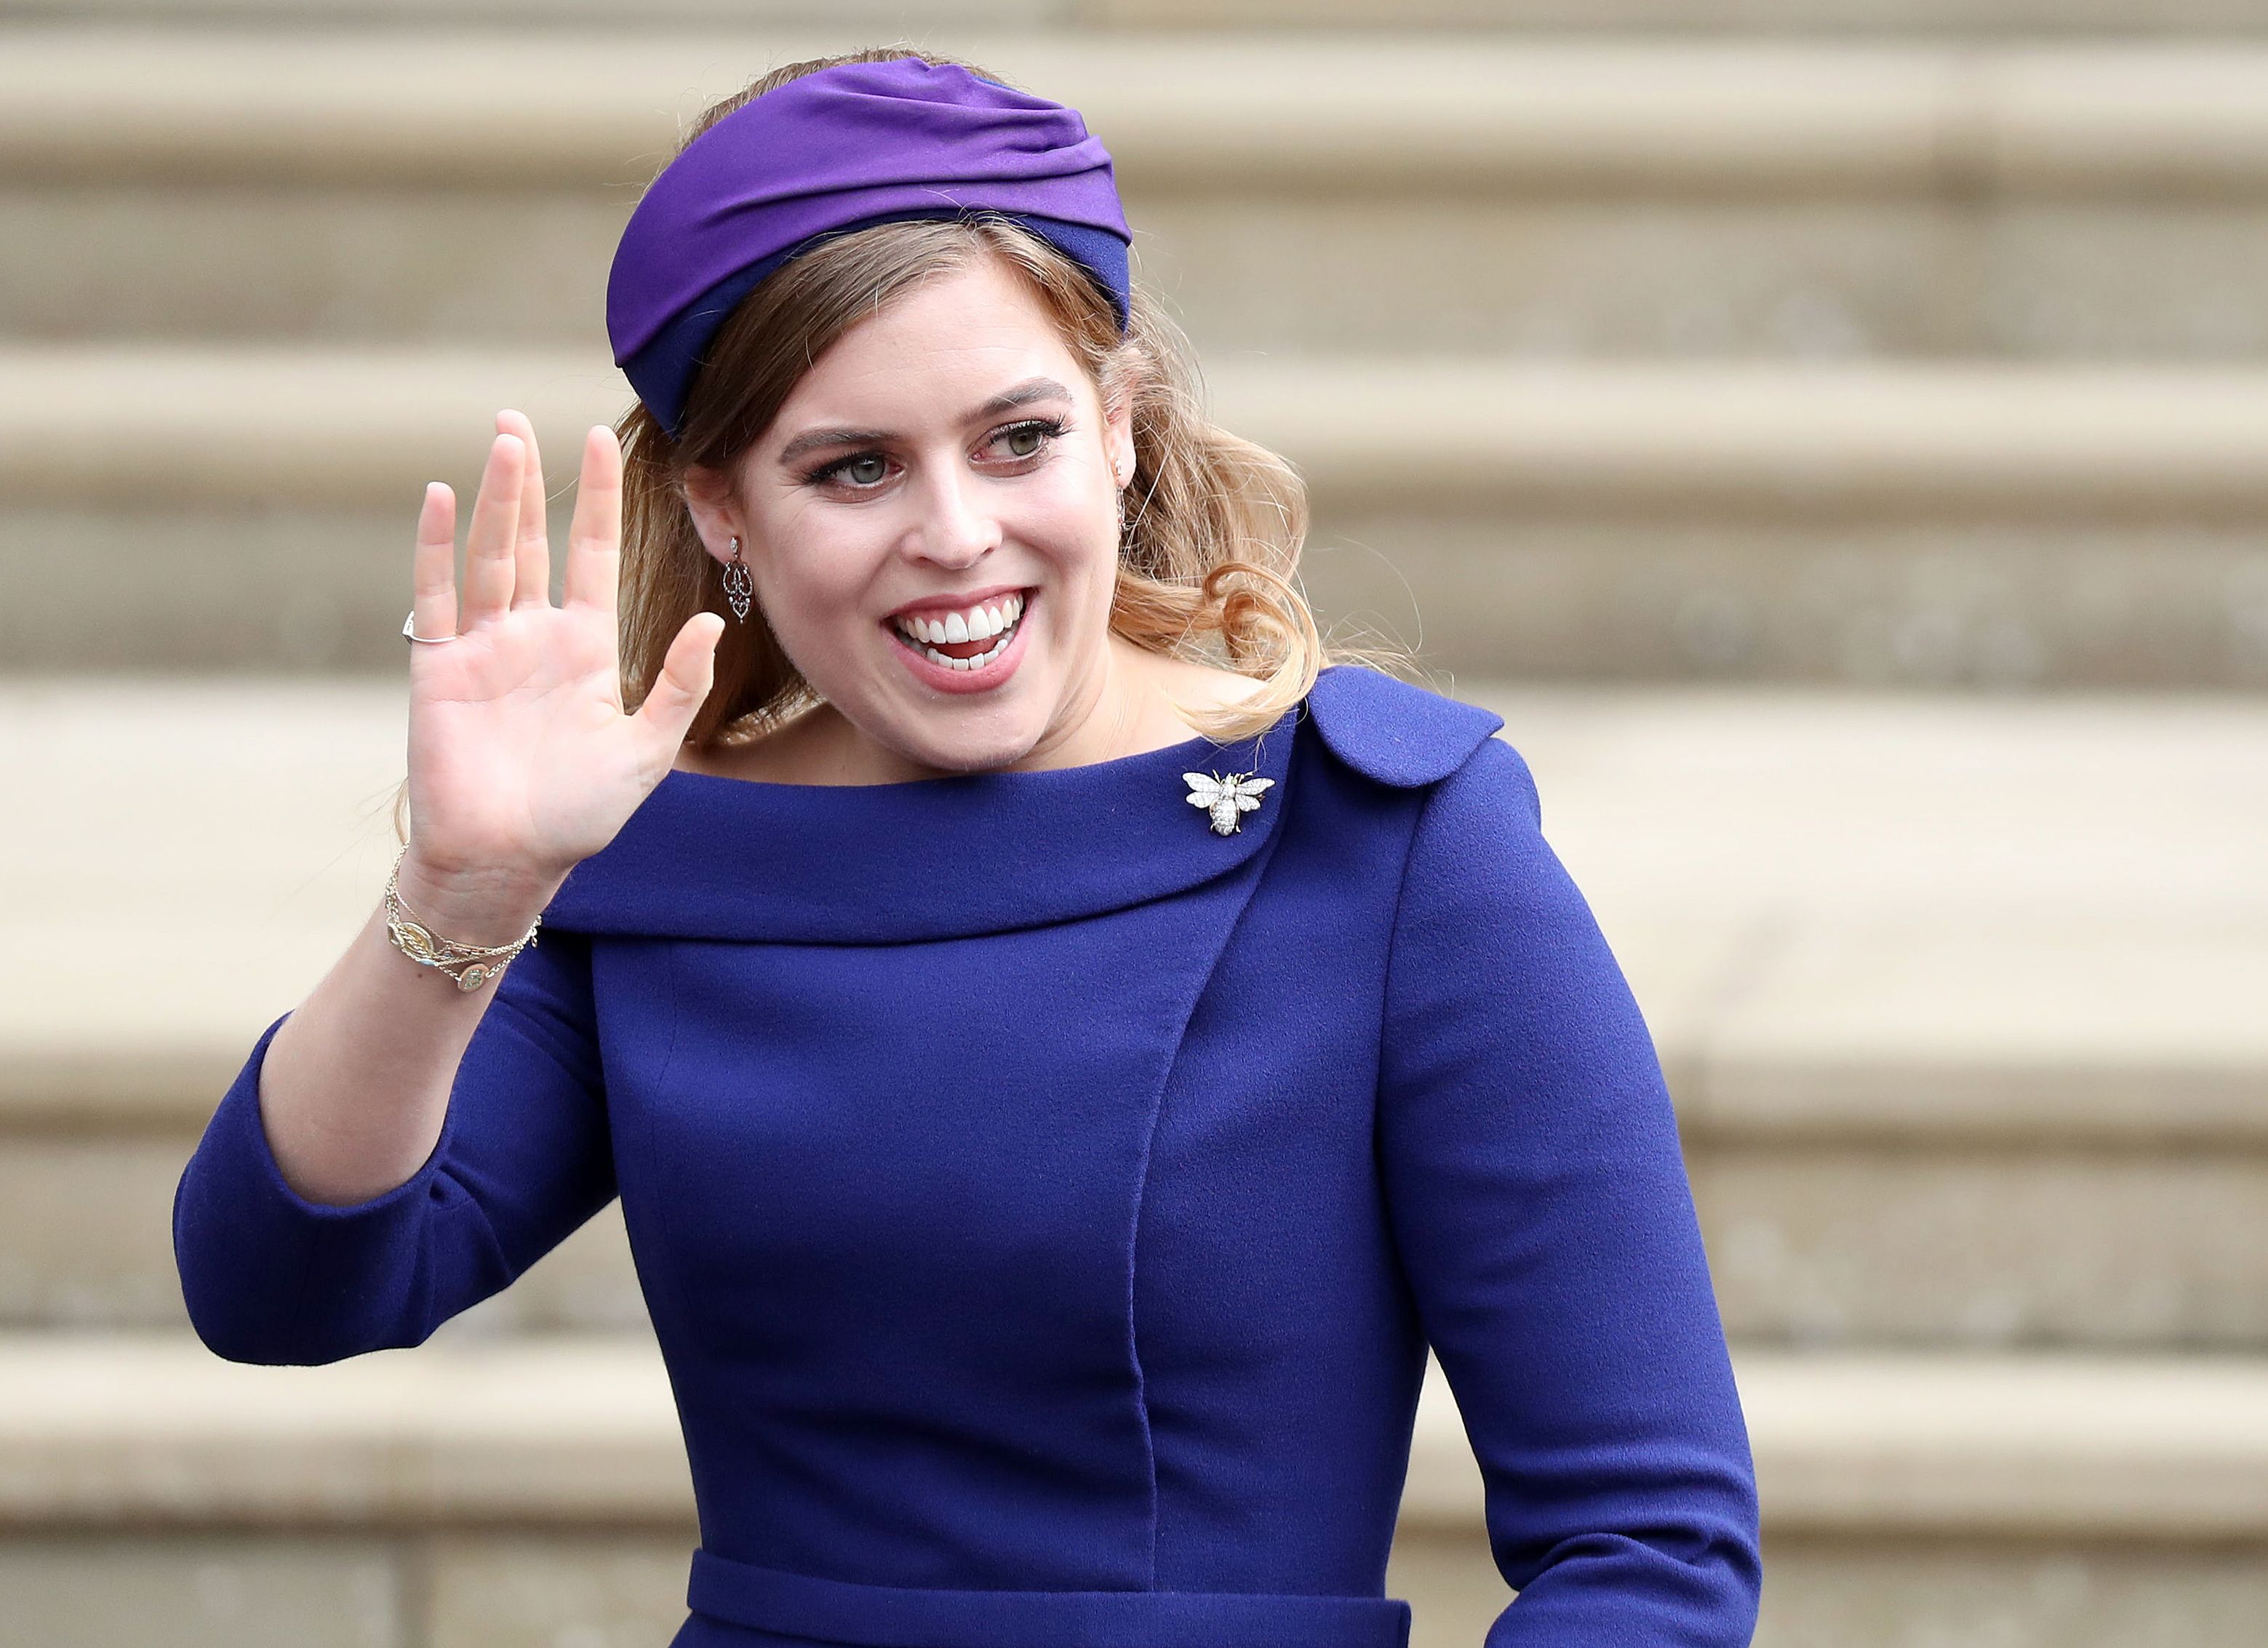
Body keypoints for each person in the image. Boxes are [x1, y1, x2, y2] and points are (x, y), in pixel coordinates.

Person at [172, 49, 1761, 1648]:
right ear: (722, 506)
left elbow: (1646, 1544)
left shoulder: (1388, 837)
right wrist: (459, 895)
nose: (954, 533)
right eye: (852, 466)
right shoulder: (665, 854)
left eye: (1016, 438)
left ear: (1119, 426)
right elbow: (281, 1287)